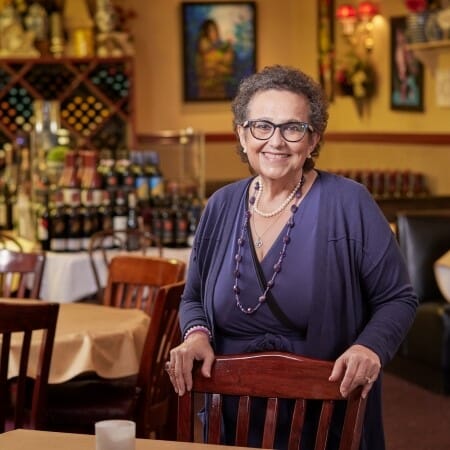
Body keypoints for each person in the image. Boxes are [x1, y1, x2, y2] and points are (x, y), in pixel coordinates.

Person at [166, 65, 418, 450]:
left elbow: (398, 298)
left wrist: (370, 348)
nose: (276, 141)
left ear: (313, 139)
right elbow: (193, 297)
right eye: (261, 126)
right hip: (231, 419)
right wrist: (196, 334)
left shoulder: (349, 203)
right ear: (241, 133)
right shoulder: (220, 205)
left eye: (293, 128)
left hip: (324, 418)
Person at [195, 18, 234, 99]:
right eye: (211, 30)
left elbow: (228, 66)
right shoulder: (204, 47)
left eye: (215, 30)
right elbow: (210, 64)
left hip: (219, 90)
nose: (215, 33)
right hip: (206, 91)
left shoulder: (217, 48)